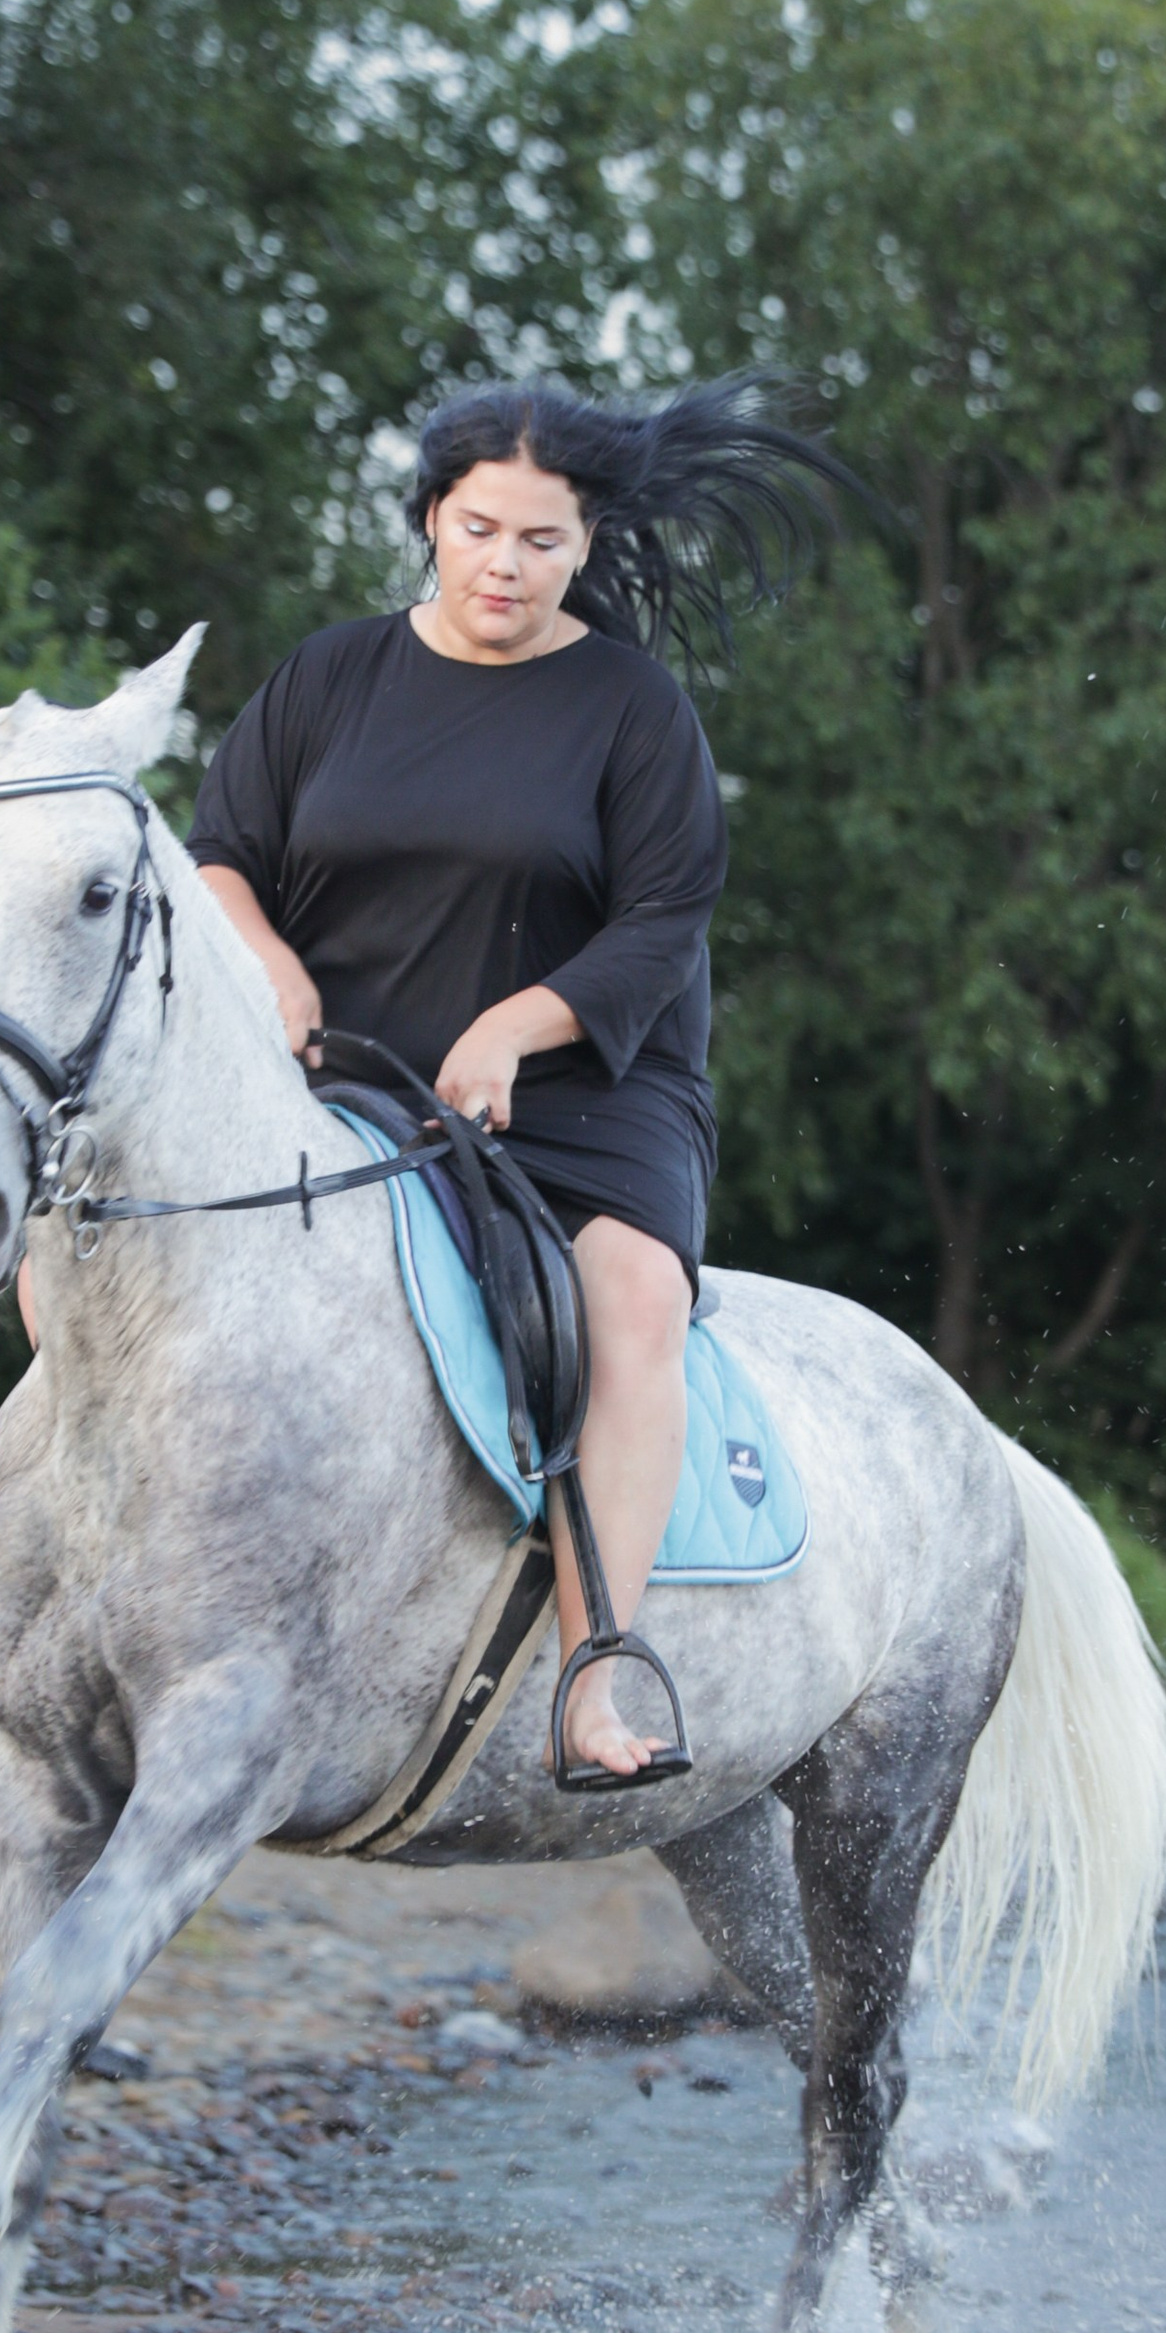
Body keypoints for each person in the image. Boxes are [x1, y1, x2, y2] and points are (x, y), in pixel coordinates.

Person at [188, 375, 852, 1782]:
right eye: (481, 527)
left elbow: (665, 923)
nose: (506, 563)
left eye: (542, 541)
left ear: (586, 548)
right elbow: (222, 858)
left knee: (629, 1300)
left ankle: (599, 1670)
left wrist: (513, 1029)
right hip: (342, 1075)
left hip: (585, 1092)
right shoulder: (327, 678)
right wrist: (273, 968)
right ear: (433, 516)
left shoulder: (633, 709)